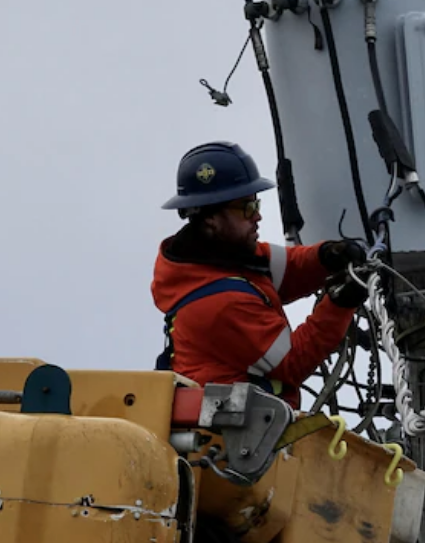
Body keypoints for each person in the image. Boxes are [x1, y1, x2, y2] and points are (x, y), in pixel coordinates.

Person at [151, 141, 368, 410]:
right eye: (247, 207)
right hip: (234, 441)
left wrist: (326, 255)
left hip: (253, 432)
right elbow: (292, 361)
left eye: (256, 203)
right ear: (210, 218)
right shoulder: (220, 303)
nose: (258, 216)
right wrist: (339, 305)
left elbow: (288, 268)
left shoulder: (217, 260)